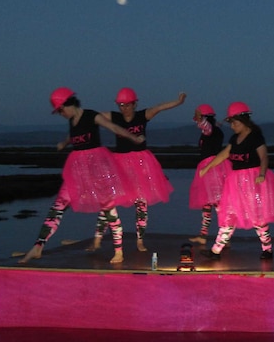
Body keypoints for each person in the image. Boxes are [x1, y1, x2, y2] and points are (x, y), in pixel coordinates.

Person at [19, 87, 145, 265]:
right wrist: (63, 143)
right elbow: (72, 136)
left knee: (108, 209)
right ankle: (38, 246)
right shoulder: (72, 121)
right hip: (77, 170)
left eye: (60, 110)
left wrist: (134, 138)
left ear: (66, 105)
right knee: (58, 206)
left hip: (97, 167)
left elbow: (114, 127)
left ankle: (119, 251)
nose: (60, 114)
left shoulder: (91, 115)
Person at [87, 87, 186, 253]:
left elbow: (160, 107)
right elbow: (92, 116)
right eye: (121, 105)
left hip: (141, 163)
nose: (124, 108)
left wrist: (178, 101)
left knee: (141, 203)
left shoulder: (142, 116)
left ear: (134, 104)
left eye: (127, 104)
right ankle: (97, 239)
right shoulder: (115, 117)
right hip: (119, 163)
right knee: (108, 200)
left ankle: (140, 240)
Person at [198, 102, 274, 260]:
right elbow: (224, 154)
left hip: (252, 182)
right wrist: (207, 168)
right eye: (231, 123)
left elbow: (263, 156)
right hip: (235, 182)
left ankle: (267, 249)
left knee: (257, 217)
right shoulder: (234, 139)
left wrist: (262, 173)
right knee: (229, 215)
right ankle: (215, 251)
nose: (232, 126)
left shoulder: (255, 137)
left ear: (244, 121)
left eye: (235, 122)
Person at [188, 104, 230, 244]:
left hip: (213, 170)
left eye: (198, 120)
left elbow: (206, 127)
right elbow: (208, 127)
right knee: (207, 203)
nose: (196, 123)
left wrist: (200, 120)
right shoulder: (215, 131)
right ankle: (204, 235)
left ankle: (224, 237)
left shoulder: (210, 131)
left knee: (218, 204)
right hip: (209, 169)